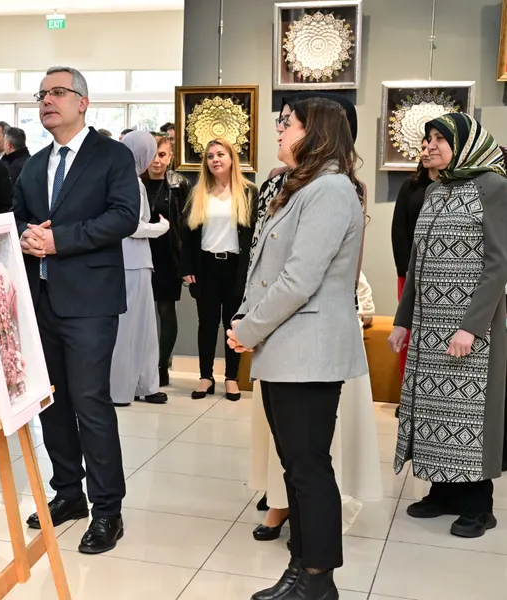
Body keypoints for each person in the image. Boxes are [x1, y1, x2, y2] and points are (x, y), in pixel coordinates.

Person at [228, 97, 367, 600]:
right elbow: (265, 267)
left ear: (316, 132)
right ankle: (300, 567)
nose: (280, 131)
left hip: (309, 351)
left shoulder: (330, 189)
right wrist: (246, 317)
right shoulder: (303, 186)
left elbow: (298, 280)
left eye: (287, 123)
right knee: (295, 467)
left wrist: (249, 329)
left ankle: (318, 579)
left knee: (308, 469)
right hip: (287, 349)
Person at [13, 66, 139, 555]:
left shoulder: (111, 155)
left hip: (90, 303)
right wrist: (27, 236)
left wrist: (58, 241)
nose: (47, 100)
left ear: (83, 102)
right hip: (40, 299)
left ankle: (108, 509)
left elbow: (124, 217)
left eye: (58, 92)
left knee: (90, 403)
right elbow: (18, 217)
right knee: (52, 403)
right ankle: (68, 493)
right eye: (42, 94)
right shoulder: (33, 164)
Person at [389, 112, 507, 539]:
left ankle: (478, 505)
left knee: (468, 416)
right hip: (427, 328)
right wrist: (403, 321)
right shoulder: (436, 190)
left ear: (466, 144)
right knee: (433, 411)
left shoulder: (493, 187)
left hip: (471, 330)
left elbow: (498, 264)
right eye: (428, 139)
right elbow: (416, 261)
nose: (430, 146)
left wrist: (470, 327)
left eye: (441, 138)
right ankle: (442, 492)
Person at [180, 138, 257, 401]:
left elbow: (254, 236)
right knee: (207, 324)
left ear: (232, 158)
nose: (215, 159)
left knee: (233, 324)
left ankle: (232, 378)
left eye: (220, 154)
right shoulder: (198, 192)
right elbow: (187, 235)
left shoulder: (248, 192)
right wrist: (187, 266)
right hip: (206, 266)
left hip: (236, 267)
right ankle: (205, 377)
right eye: (210, 156)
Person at [111, 131, 169, 407]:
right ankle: (123, 389)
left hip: (135, 262)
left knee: (142, 327)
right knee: (132, 328)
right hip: (131, 263)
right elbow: (130, 225)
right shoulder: (131, 182)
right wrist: (160, 228)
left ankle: (143, 384)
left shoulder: (124, 178)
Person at [143, 134, 191, 387]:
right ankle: (142, 365)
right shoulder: (134, 181)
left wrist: (185, 261)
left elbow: (187, 225)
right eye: (152, 155)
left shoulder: (179, 184)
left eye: (162, 155)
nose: (156, 161)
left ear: (170, 157)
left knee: (165, 310)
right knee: (140, 313)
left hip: (168, 257)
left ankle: (162, 366)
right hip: (140, 256)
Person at [391, 140, 438, 378]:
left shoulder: (453, 187)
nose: (426, 153)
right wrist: (405, 270)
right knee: (407, 329)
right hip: (409, 273)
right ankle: (406, 385)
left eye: (430, 147)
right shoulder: (411, 186)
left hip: (438, 273)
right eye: (422, 148)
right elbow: (398, 230)